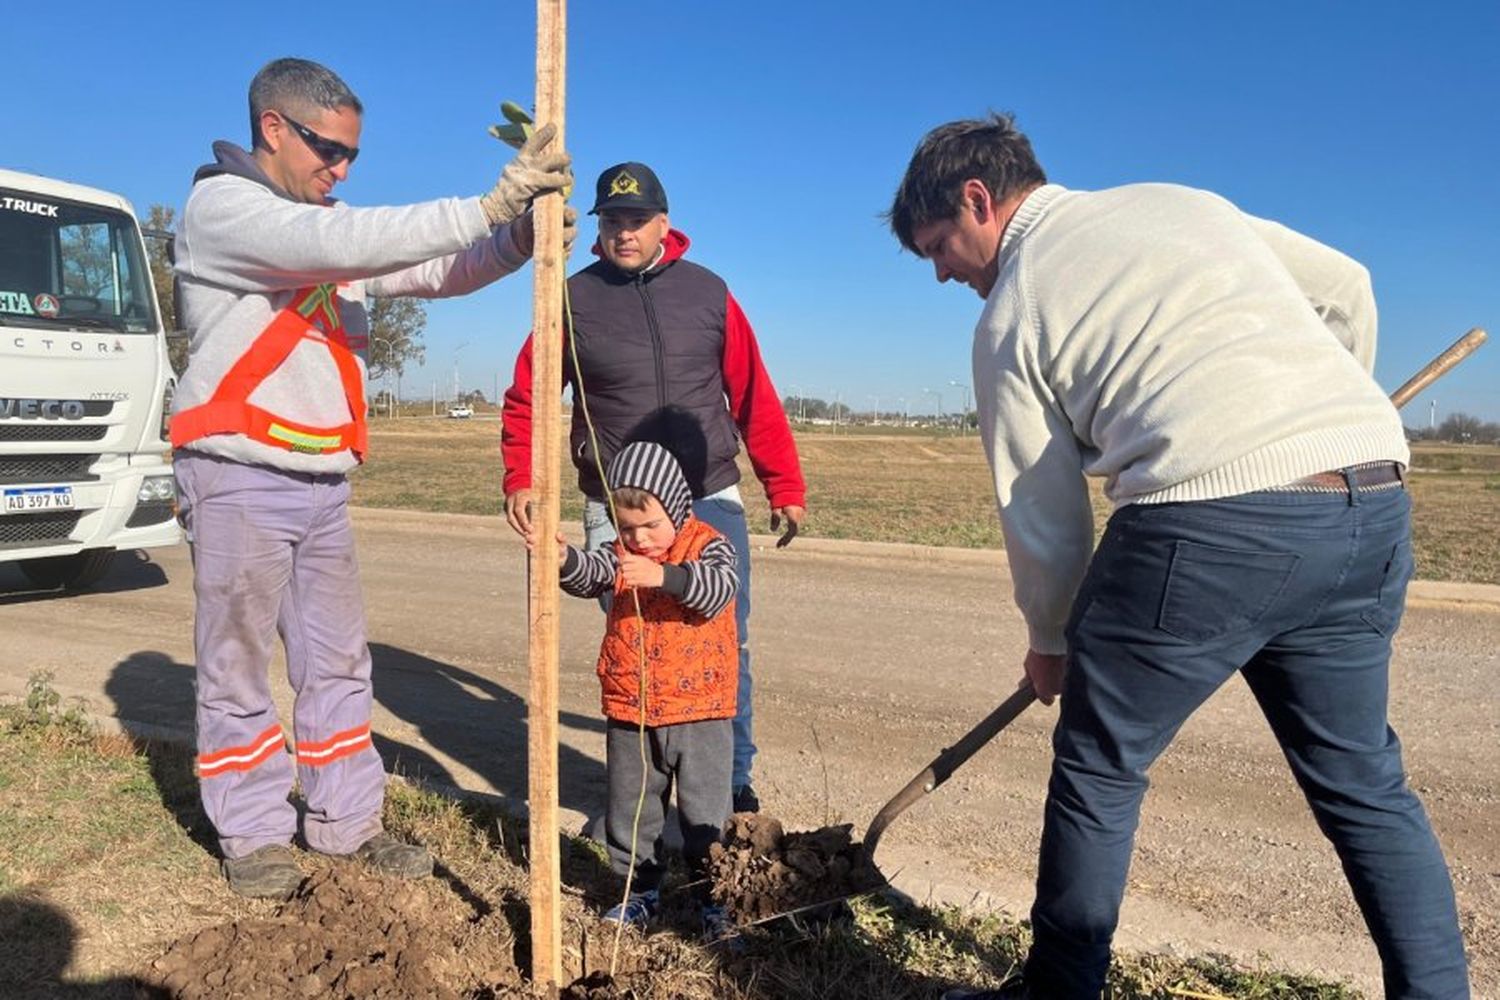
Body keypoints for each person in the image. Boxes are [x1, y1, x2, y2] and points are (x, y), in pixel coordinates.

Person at [887, 114, 1470, 1000]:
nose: (942, 271)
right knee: (1363, 785)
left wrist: (1052, 641)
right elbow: (1347, 287)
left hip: (1208, 520)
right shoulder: (1179, 204)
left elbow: (1040, 512)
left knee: (1099, 766)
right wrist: (1322, 418)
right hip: (1370, 500)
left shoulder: (1015, 309)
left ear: (978, 199)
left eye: (939, 245)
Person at [172, 57, 573, 899]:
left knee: (337, 663)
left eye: (352, 154)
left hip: (321, 478)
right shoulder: (227, 209)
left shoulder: (320, 219)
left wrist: (513, 241)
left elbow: (431, 270)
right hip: (238, 472)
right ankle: (252, 833)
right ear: (273, 129)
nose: (342, 169)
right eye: (329, 149)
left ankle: (347, 824)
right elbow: (343, 243)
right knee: (238, 663)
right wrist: (489, 203)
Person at [501, 161, 806, 814]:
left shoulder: (708, 293)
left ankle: (727, 789)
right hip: (620, 508)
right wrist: (523, 476)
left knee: (722, 644)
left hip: (708, 496)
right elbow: (528, 394)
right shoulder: (572, 297)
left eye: (636, 220)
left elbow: (751, 390)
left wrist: (783, 483)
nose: (624, 232)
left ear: (663, 224)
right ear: (599, 227)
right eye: (612, 220)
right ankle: (642, 800)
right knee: (640, 644)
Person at [538, 441, 739, 940]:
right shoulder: (621, 555)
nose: (640, 538)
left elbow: (717, 589)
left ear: (674, 507)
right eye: (627, 528)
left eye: (651, 524)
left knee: (706, 811)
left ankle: (713, 897)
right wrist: (564, 559)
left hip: (701, 710)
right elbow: (591, 577)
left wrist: (665, 576)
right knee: (632, 807)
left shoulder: (709, 545)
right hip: (633, 708)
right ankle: (638, 890)